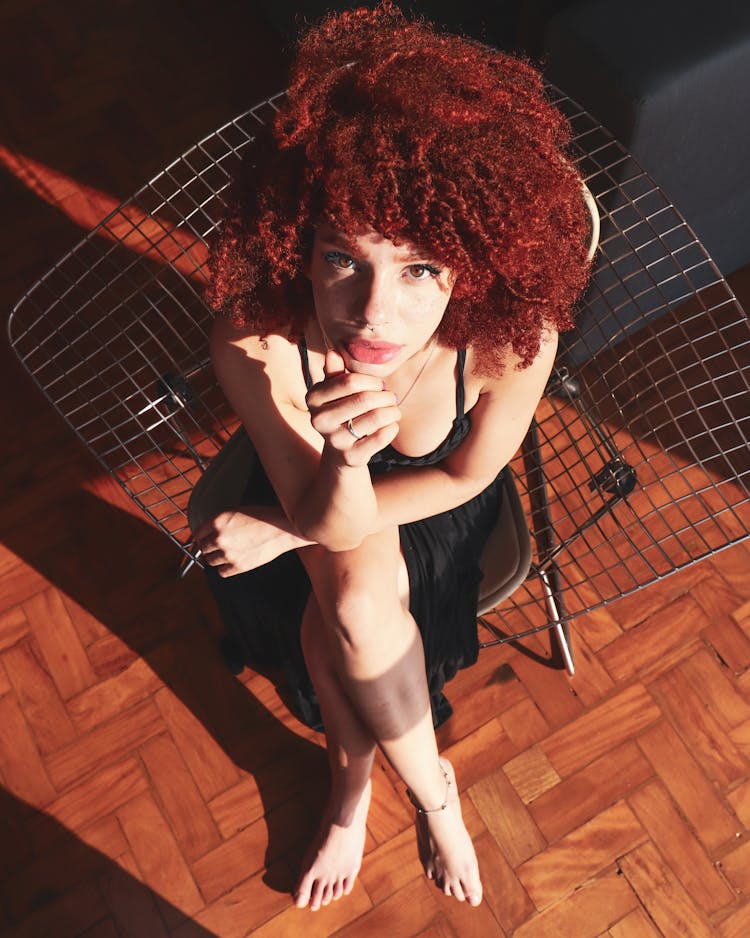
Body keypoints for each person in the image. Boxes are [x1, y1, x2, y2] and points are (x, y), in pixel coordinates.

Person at [194, 0, 590, 912]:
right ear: (301, 239)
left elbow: (466, 474)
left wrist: (281, 530)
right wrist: (339, 458)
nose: (374, 316)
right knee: (357, 602)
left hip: (429, 512)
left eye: (419, 272)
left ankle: (355, 787)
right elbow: (335, 515)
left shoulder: (511, 341)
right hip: (314, 489)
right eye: (342, 259)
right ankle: (430, 792)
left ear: (473, 266)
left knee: (352, 604)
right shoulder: (255, 340)